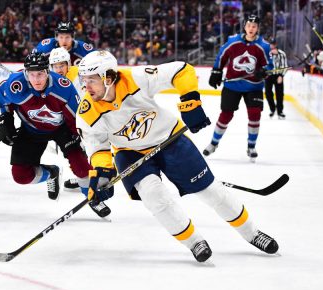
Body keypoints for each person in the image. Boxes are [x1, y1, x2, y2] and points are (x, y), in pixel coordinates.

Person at [76, 50, 279, 263]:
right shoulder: (87, 110)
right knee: (154, 196)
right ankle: (194, 242)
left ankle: (252, 233)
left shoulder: (136, 78)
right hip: (129, 152)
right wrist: (101, 175)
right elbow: (98, 148)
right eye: (84, 80)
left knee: (211, 192)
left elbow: (181, 70)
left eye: (92, 80)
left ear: (109, 77)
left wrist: (190, 102)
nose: (86, 86)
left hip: (169, 139)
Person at [0, 52, 110, 217]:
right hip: (30, 129)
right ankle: (51, 173)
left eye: (40, 73)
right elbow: (1, 98)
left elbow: (76, 117)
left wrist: (79, 139)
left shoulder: (63, 88)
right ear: (26, 74)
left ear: (47, 71)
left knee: (81, 167)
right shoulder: (16, 85)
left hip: (61, 129)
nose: (37, 79)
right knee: (21, 176)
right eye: (32, 75)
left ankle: (92, 197)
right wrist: (5, 118)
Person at [203, 14, 272, 161]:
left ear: (258, 28)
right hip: (232, 84)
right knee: (226, 115)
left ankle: (251, 146)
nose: (251, 29)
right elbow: (221, 55)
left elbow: (269, 65)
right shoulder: (233, 41)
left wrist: (264, 72)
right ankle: (214, 143)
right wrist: (216, 70)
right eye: (249, 26)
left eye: (254, 26)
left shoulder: (263, 46)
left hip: (254, 86)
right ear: (244, 26)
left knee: (254, 114)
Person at [49, 47, 84, 190]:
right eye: (55, 66)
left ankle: (91, 175)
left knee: (87, 146)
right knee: (74, 150)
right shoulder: (49, 78)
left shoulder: (80, 74)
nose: (59, 69)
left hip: (85, 117)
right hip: (68, 120)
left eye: (62, 65)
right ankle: (84, 175)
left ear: (68, 64)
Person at [265, 39, 288, 119]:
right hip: (268, 75)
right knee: (268, 93)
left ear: (276, 44)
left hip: (278, 75)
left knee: (279, 94)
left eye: (273, 44)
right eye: (271, 44)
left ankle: (280, 111)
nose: (272, 46)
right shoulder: (266, 53)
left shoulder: (282, 54)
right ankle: (272, 109)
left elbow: (285, 66)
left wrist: (281, 75)